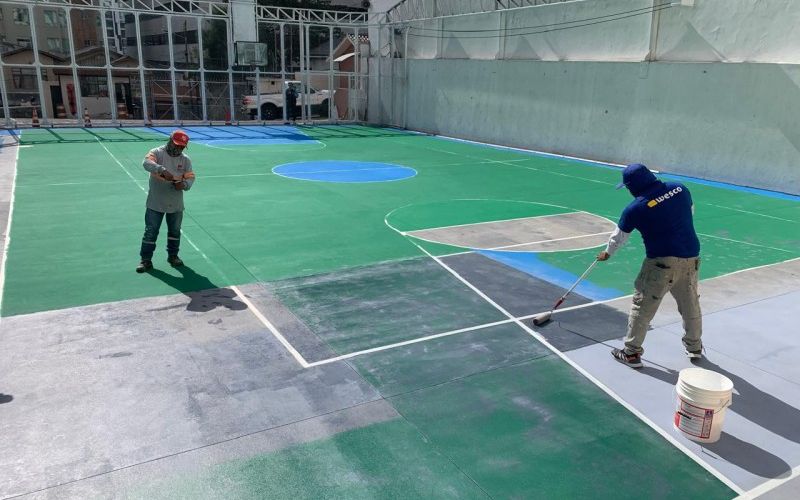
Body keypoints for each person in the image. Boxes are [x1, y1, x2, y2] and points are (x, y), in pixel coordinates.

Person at [597, 163, 702, 369]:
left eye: (628, 186)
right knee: (690, 303)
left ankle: (631, 353)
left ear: (634, 185)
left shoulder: (635, 208)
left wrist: (607, 253)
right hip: (691, 256)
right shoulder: (679, 189)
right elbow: (690, 212)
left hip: (661, 264)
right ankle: (694, 347)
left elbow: (619, 238)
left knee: (642, 307)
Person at [136, 130, 195, 273]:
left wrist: (184, 185)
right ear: (170, 141)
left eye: (182, 147)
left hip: (175, 203)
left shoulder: (185, 160)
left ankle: (173, 256)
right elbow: (146, 163)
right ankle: (146, 260)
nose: (179, 149)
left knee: (175, 231)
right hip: (156, 202)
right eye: (177, 145)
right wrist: (161, 169)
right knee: (151, 231)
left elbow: (190, 177)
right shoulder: (157, 152)